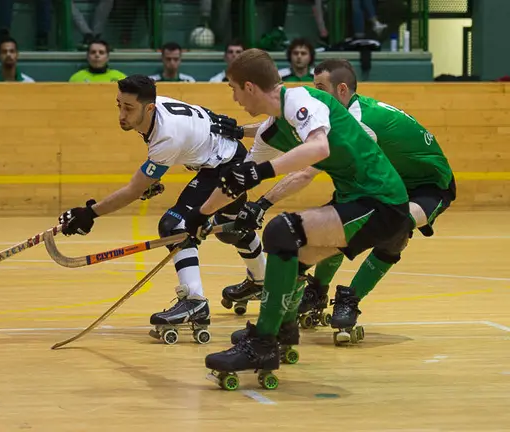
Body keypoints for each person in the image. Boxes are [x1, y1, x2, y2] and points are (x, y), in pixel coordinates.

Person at [181, 48, 410, 387]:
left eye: (233, 89)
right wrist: (200, 216)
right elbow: (239, 180)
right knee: (294, 259)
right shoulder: (270, 131)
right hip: (359, 200)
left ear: (249, 87)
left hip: (382, 202)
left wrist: (260, 174)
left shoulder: (302, 101)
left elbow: (318, 148)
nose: (234, 98)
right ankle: (281, 331)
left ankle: (263, 343)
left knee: (281, 231)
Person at [56, 75, 267, 344]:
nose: (121, 115)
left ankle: (195, 301)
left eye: (128, 108)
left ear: (149, 108)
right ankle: (262, 282)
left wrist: (90, 213)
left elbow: (133, 189)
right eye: (119, 105)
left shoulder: (165, 135)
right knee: (230, 229)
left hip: (225, 165)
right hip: (226, 156)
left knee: (174, 226)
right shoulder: (156, 111)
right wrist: (150, 181)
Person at [289, 58, 456, 329]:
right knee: (338, 223)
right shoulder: (344, 113)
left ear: (342, 90)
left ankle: (350, 299)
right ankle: (317, 291)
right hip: (388, 180)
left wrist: (262, 202)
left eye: (320, 88)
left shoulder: (359, 120)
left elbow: (306, 171)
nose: (315, 94)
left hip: (428, 185)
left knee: (397, 229)